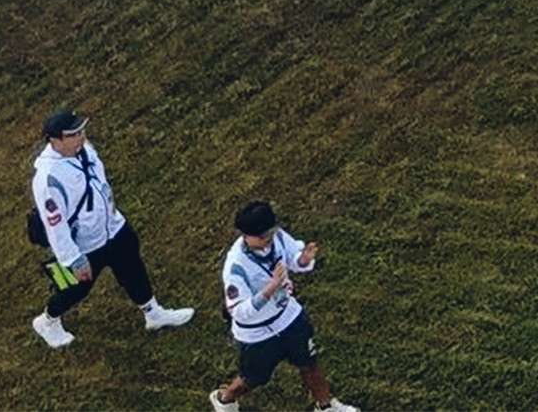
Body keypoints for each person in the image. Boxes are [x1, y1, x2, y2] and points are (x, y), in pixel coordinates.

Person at [28, 107, 199, 349]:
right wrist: (73, 260)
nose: (82, 138)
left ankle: (152, 312)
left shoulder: (84, 150)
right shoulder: (48, 179)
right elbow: (55, 225)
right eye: (74, 135)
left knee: (132, 268)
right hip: (86, 244)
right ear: (55, 140)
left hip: (113, 227)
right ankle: (48, 320)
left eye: (82, 131)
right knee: (77, 288)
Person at [211, 199, 356, 412]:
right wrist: (270, 289)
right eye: (263, 237)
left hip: (289, 317)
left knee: (309, 361)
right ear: (246, 235)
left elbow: (292, 258)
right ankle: (225, 398)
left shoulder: (276, 236)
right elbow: (239, 312)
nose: (269, 240)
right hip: (258, 334)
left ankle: (325, 406)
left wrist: (304, 260)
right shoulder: (236, 267)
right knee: (254, 378)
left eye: (270, 234)